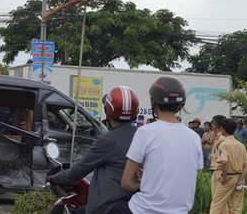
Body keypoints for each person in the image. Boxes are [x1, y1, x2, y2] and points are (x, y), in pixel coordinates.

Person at [116, 76, 203, 214]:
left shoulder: (145, 132)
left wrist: (147, 183)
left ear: (153, 101)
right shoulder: (194, 137)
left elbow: (126, 183)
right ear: (181, 105)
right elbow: (181, 175)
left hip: (143, 210)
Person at [48, 86, 140, 214]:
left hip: (108, 207)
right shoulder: (144, 136)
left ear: (107, 111)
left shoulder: (108, 140)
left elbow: (79, 170)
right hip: (136, 205)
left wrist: (54, 179)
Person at [209, 118, 247, 214]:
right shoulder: (241, 145)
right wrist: (240, 180)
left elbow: (224, 162)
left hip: (228, 177)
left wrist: (224, 177)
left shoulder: (224, 144)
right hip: (238, 177)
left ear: (223, 129)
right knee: (235, 207)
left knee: (217, 205)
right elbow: (246, 165)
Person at [210, 115, 227, 197]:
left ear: (218, 125)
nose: (211, 125)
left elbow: (224, 159)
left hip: (219, 171)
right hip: (216, 170)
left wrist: (223, 175)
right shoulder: (217, 137)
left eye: (213, 123)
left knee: (217, 199)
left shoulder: (221, 139)